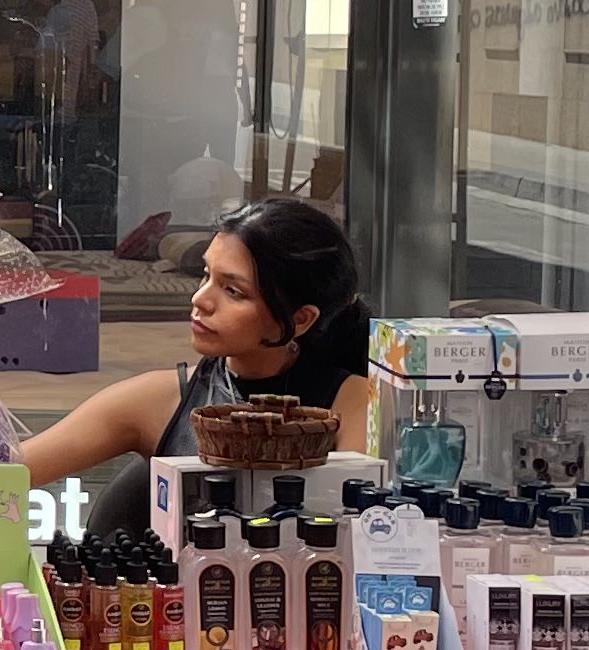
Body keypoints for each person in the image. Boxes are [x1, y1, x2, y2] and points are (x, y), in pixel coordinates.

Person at [19, 196, 371, 544]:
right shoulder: (159, 399)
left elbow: (358, 541)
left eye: (233, 291)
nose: (199, 299)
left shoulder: (353, 404)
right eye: (206, 275)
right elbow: (8, 471)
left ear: (300, 319)